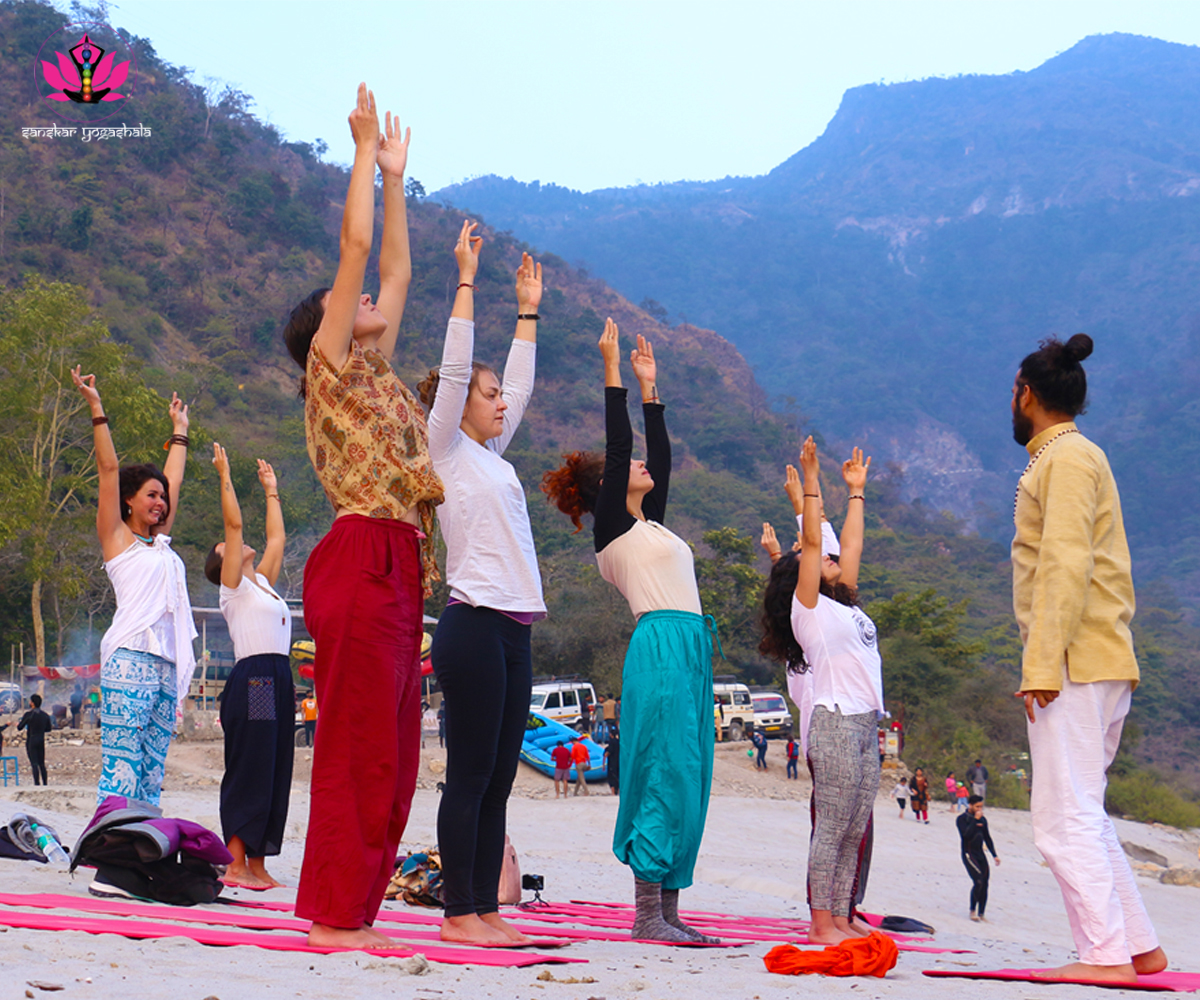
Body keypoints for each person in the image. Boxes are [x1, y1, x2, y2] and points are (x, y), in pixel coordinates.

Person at [282, 85, 443, 950]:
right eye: (352, 304)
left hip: (401, 561)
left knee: (395, 752)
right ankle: (333, 919)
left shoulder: (379, 375)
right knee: (356, 745)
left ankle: (357, 909)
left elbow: (399, 271)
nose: (372, 301)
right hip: (360, 554)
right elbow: (357, 254)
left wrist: (396, 180)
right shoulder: (332, 364)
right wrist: (356, 157)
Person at [542, 320, 720, 944]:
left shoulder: (655, 526)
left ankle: (670, 912)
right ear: (607, 489)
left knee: (691, 771)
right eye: (627, 467)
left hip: (693, 648)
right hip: (662, 646)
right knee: (662, 767)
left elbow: (658, 460)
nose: (642, 465)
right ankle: (647, 913)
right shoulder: (613, 530)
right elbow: (623, 452)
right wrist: (613, 372)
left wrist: (653, 391)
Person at [1010, 333, 1165, 983]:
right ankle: (1137, 945)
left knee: (1060, 817)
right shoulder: (1070, 456)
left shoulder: (1067, 460)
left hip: (1074, 660)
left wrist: (1041, 665)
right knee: (1084, 808)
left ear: (1026, 395)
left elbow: (1065, 567)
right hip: (1096, 657)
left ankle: (1103, 955)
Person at [420, 224, 545, 947]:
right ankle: (458, 912)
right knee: (469, 773)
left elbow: (519, 386)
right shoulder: (447, 450)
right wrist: (467, 281)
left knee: (499, 776)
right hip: (472, 623)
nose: (500, 402)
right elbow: (458, 367)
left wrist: (527, 311)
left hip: (515, 629)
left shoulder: (492, 458)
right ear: (461, 400)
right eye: (487, 393)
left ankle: (486, 910)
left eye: (499, 395)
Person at [758, 437, 883, 946]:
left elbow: (847, 547)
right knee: (832, 825)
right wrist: (811, 483)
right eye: (821, 560)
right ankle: (820, 921)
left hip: (864, 724)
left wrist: (856, 493)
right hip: (833, 721)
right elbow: (814, 544)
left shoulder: (844, 603)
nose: (833, 559)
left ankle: (844, 913)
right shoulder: (808, 609)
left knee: (854, 826)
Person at [71, 367, 194, 807]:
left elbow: (174, 480)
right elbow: (108, 468)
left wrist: (179, 432)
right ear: (129, 500)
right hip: (129, 658)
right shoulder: (117, 539)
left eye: (162, 498)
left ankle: (144, 843)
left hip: (164, 659)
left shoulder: (160, 543)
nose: (160, 503)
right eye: (151, 495)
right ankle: (113, 845)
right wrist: (96, 407)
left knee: (153, 762)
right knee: (123, 759)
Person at [206, 444, 294, 891]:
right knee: (253, 765)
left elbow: (276, 539)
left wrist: (271, 492)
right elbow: (234, 525)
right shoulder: (234, 588)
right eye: (227, 547)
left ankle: (259, 864)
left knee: (277, 766)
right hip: (256, 678)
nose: (235, 544)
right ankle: (236, 863)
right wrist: (225, 473)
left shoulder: (263, 585)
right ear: (222, 561)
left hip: (279, 679)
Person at [956, 795, 999, 922]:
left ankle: (981, 913)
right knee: (978, 881)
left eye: (981, 806)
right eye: (977, 806)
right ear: (970, 805)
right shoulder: (962, 819)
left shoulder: (983, 820)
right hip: (968, 854)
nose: (979, 809)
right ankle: (972, 910)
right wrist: (975, 820)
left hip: (980, 853)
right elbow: (966, 836)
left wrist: (994, 855)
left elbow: (987, 837)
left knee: (985, 883)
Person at [17, 695, 53, 785]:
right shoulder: (45, 715)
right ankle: (45, 783)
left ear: (32, 703)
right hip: (41, 739)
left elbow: (19, 727)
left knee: (34, 763)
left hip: (32, 739)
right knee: (41, 763)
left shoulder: (29, 714)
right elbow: (49, 728)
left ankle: (37, 783)